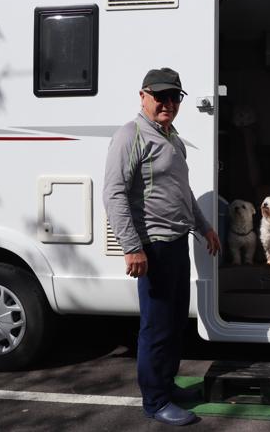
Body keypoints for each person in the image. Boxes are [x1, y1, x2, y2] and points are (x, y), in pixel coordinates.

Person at [103, 67, 221, 426]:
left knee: (172, 324)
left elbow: (182, 192)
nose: (168, 103)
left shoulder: (172, 138)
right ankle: (155, 401)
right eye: (160, 97)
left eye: (174, 97)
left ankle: (167, 386)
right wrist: (131, 247)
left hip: (176, 244)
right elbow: (114, 194)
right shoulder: (130, 135)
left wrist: (204, 227)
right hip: (151, 247)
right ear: (143, 96)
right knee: (155, 327)